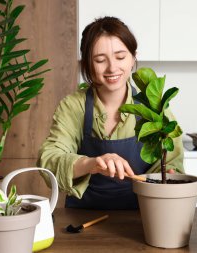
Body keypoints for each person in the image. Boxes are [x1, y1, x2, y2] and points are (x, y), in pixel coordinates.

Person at [38, 16, 184, 210]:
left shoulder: (153, 106)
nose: (112, 68)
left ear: (133, 58)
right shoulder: (74, 106)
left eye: (120, 57)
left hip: (143, 216)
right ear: (88, 64)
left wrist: (171, 175)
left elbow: (172, 162)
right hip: (83, 217)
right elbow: (49, 160)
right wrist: (92, 163)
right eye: (100, 60)